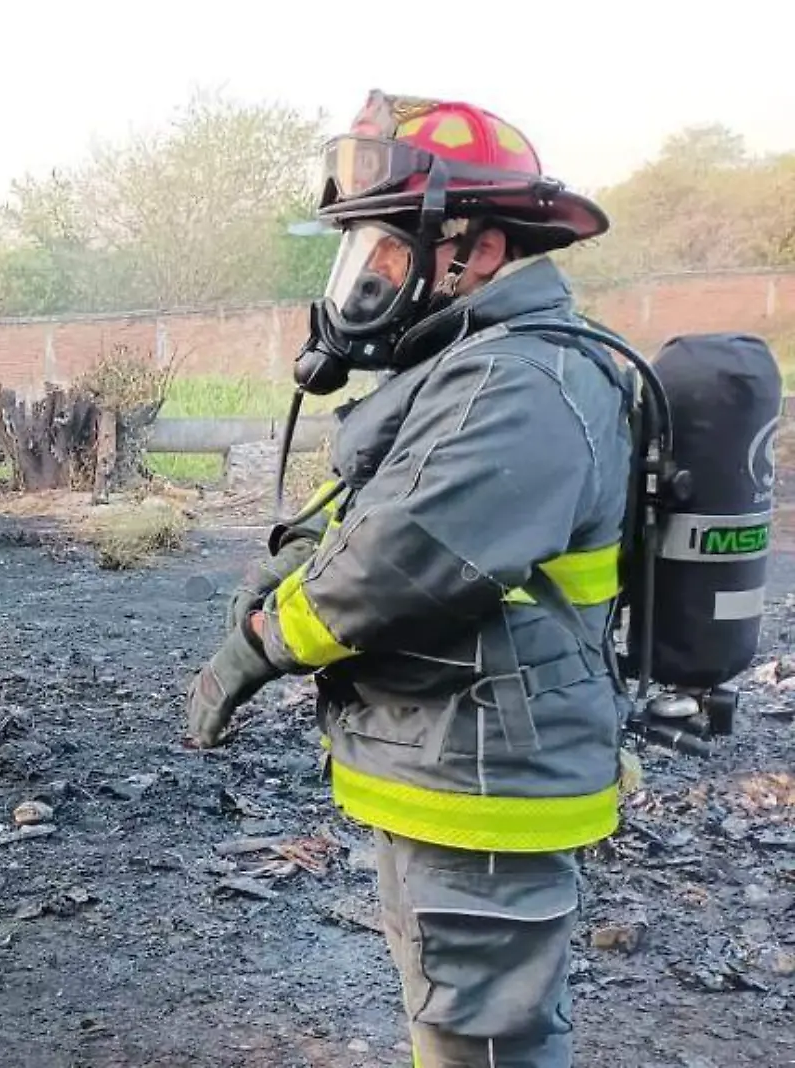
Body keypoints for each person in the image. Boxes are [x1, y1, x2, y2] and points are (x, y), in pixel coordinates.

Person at [184, 90, 634, 1068]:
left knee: (480, 1043)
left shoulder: (521, 383)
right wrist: (300, 560)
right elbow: (384, 521)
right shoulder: (481, 366)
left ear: (471, 249)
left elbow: (397, 560)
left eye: (386, 250)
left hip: (486, 781)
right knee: (470, 1029)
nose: (365, 279)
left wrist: (258, 645)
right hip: (461, 758)